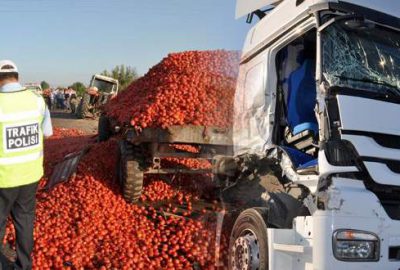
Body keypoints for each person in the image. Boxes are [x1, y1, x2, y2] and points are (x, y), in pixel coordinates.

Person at [0, 60, 53, 270]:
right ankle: (24, 265)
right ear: (18, 77)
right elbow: (47, 133)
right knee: (24, 221)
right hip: (30, 175)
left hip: (3, 177)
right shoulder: (37, 101)